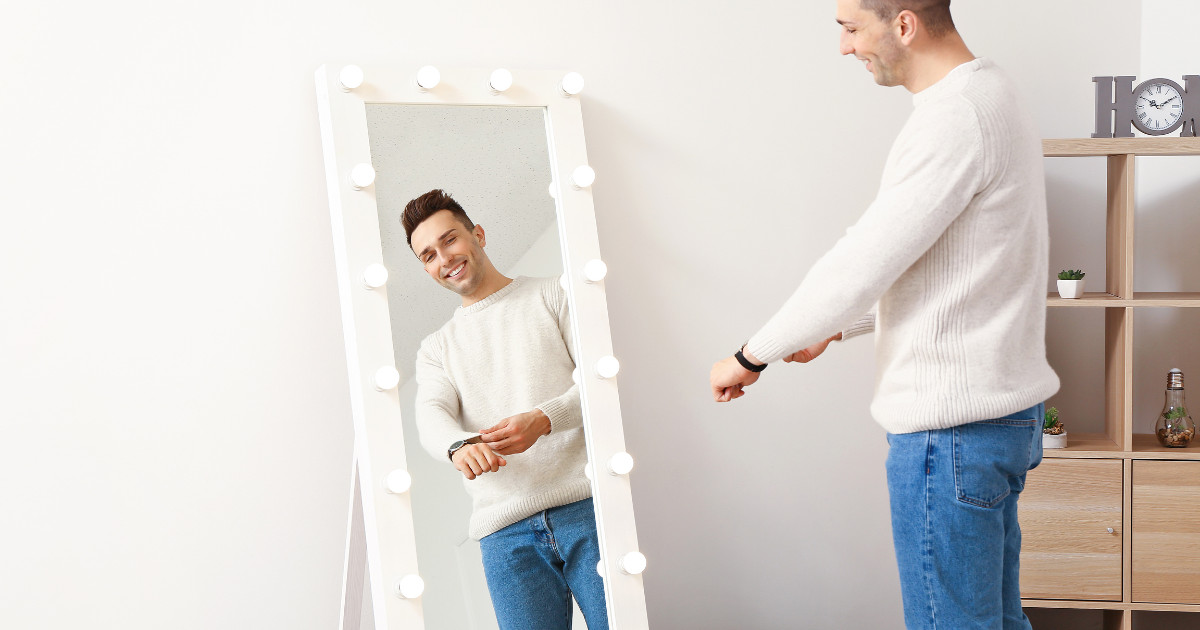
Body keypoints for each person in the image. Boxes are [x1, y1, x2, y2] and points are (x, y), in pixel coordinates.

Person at [709, 2, 1060, 628]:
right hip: (997, 419)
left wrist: (750, 354)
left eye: (850, 29)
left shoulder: (955, 117)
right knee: (997, 622)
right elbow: (964, 265)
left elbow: (863, 259)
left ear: (903, 24)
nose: (845, 48)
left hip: (950, 432)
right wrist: (838, 327)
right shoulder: (992, 91)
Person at [405, 189, 607, 629]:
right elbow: (430, 413)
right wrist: (457, 446)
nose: (443, 258)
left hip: (588, 508)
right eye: (428, 255)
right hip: (504, 534)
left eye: (450, 240)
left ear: (477, 234)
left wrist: (545, 418)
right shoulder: (435, 349)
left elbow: (601, 381)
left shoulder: (554, 293)